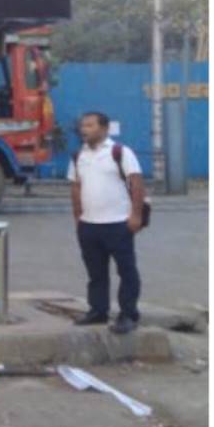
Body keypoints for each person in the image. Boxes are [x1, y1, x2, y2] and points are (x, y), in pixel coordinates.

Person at [67, 111, 144, 334]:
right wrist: (78, 218)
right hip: (89, 225)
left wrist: (136, 216)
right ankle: (98, 311)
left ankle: (128, 314)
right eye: (83, 126)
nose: (84, 130)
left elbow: (136, 183)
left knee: (126, 271)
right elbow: (75, 187)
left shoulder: (120, 153)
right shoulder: (78, 156)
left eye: (90, 125)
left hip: (118, 223)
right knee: (96, 272)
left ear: (104, 128)